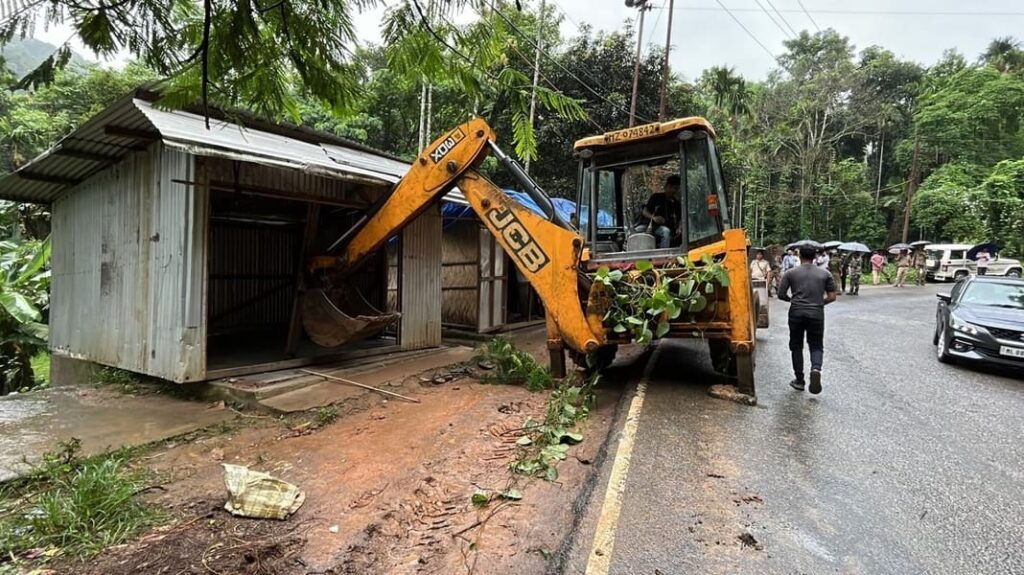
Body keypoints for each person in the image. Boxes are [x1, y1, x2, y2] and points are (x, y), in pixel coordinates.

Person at [778, 245, 838, 395]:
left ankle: (799, 380)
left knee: (796, 345)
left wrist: (792, 300)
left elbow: (780, 294)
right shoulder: (825, 273)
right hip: (816, 313)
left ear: (799, 255)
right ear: (815, 257)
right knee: (816, 345)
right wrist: (818, 303)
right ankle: (816, 368)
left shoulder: (790, 273)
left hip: (796, 312)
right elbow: (832, 296)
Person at [633, 174, 681, 248]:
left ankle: (664, 255)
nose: (673, 190)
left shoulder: (676, 203)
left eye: (675, 188)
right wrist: (654, 218)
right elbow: (644, 211)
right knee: (635, 231)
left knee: (666, 232)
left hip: (665, 229)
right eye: (671, 187)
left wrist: (679, 228)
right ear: (666, 187)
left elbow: (680, 219)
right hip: (649, 226)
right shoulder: (656, 197)